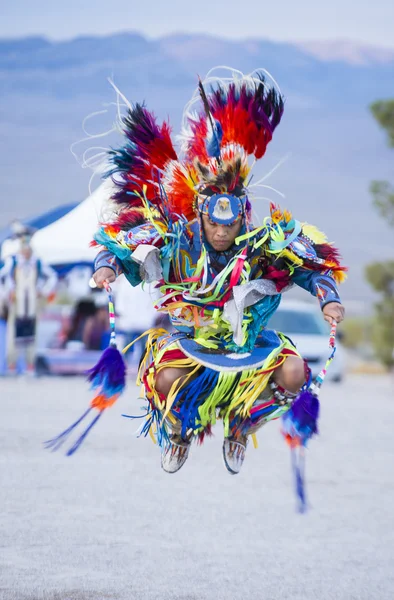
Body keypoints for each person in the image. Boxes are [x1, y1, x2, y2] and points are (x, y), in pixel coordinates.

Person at [88, 67, 346, 474]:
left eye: (231, 223)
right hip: (193, 345)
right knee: (163, 378)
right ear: (200, 215)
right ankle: (177, 432)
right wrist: (106, 269)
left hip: (252, 345)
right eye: (215, 223)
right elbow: (117, 246)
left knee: (295, 371)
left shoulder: (265, 242)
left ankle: (241, 426)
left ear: (243, 215)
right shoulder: (174, 238)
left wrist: (328, 297)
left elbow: (312, 265)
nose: (223, 231)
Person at [0, 225, 58, 375]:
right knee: (13, 335)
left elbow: (52, 276)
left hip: (32, 304)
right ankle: (12, 366)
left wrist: (43, 291)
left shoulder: (37, 263)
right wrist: (7, 292)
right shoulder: (12, 262)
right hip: (16, 304)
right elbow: (2, 277)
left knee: (32, 335)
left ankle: (29, 366)